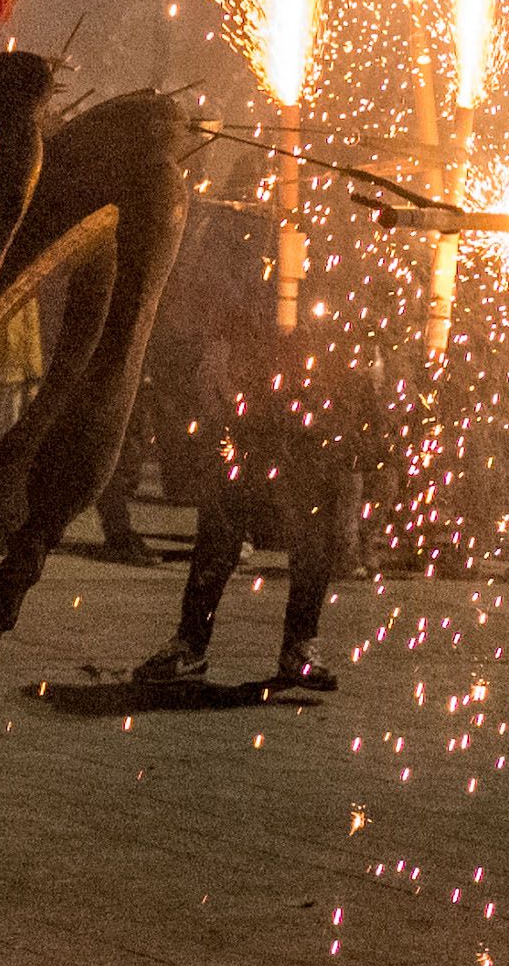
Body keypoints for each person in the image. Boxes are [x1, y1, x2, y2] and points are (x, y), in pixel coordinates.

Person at [130, 214, 352, 693]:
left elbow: (349, 326)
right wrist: (220, 358)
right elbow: (220, 307)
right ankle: (190, 644)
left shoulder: (338, 253)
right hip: (250, 408)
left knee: (312, 535)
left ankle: (301, 645)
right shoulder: (247, 242)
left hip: (309, 414)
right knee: (221, 530)